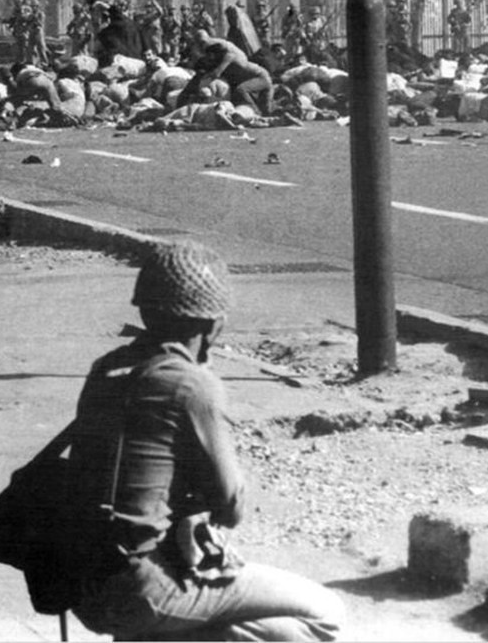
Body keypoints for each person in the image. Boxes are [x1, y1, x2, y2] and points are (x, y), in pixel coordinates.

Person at [67, 241, 343, 640]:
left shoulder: (107, 368)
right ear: (214, 324)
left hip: (83, 583)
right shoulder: (191, 385)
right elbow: (231, 506)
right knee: (322, 614)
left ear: (144, 310)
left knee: (270, 624)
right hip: (142, 586)